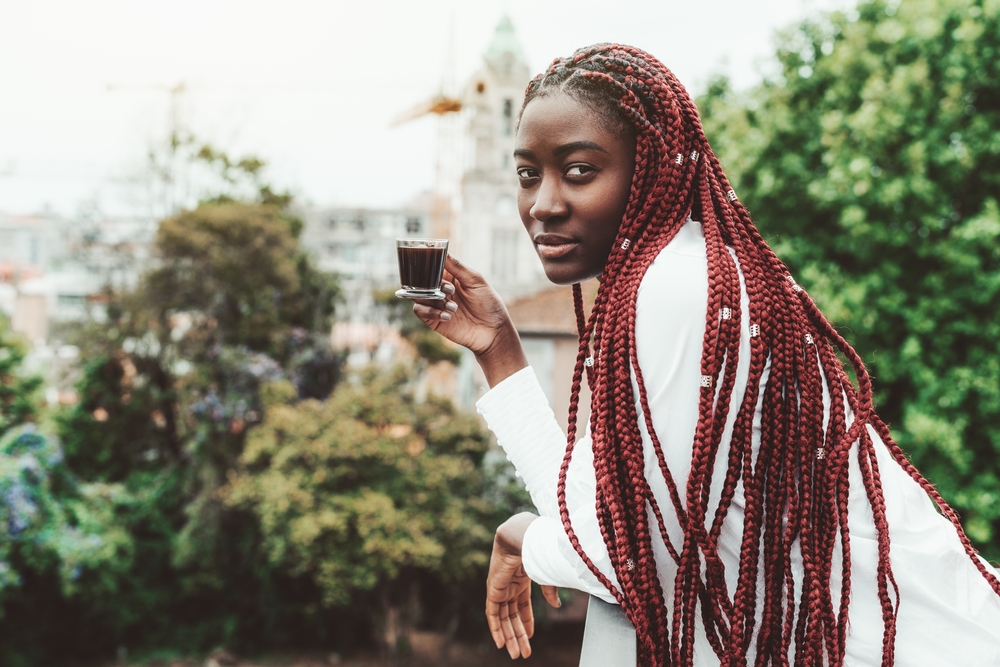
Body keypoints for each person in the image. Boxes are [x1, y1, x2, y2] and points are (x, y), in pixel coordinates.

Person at [412, 44, 1000, 667]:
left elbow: (636, 561)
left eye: (579, 171)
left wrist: (521, 539)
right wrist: (499, 350)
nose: (544, 204)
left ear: (652, 168)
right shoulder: (663, 278)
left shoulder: (675, 286)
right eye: (529, 174)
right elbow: (605, 516)